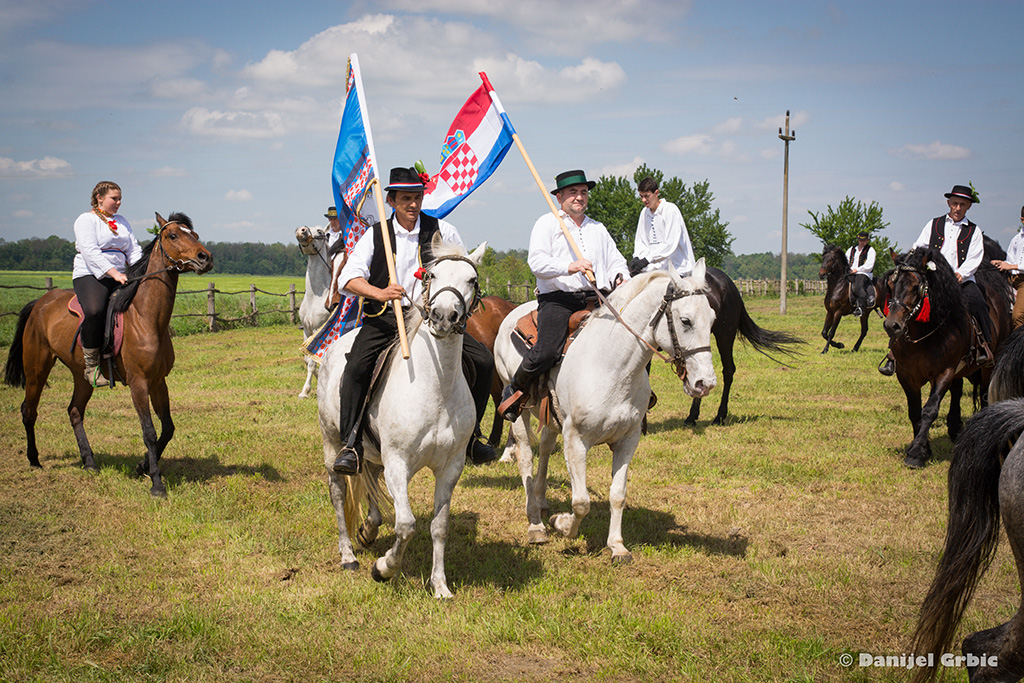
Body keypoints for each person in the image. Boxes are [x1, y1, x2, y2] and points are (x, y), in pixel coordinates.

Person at [331, 167, 498, 474]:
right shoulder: (376, 235)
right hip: (386, 321)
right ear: (391, 201)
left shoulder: (443, 230)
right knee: (356, 367)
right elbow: (347, 279)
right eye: (405, 198)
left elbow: (461, 269)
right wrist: (380, 292)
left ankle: (472, 438)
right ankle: (351, 443)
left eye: (417, 197)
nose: (412, 204)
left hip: (431, 320)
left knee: (484, 361)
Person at [499, 169, 630, 420]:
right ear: (559, 197)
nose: (579, 197)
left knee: (630, 339)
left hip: (597, 297)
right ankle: (515, 390)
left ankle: (634, 396)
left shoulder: (598, 228)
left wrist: (621, 277)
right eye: (573, 193)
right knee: (547, 350)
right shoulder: (546, 224)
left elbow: (616, 261)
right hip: (559, 300)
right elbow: (536, 262)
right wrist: (569, 267)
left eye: (583, 192)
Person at [879, 184, 993, 376]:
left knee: (978, 303)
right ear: (949, 203)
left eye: (962, 205)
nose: (958, 208)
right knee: (906, 306)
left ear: (968, 207)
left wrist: (961, 274)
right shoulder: (933, 224)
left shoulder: (974, 231)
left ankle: (983, 346)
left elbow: (975, 257)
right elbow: (918, 248)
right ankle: (893, 353)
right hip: (932, 282)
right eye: (955, 203)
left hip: (961, 281)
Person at [72, 180, 144, 387]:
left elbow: (133, 248)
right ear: (99, 198)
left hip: (121, 274)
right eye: (115, 198)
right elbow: (90, 251)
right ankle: (91, 366)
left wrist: (138, 270)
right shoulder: (85, 220)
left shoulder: (122, 221)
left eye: (120, 198)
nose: (119, 202)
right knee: (95, 310)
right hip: (91, 274)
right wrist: (112, 273)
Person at [628, 176, 695, 279]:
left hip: (677, 269)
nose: (644, 200)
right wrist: (637, 257)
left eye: (647, 196)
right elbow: (641, 241)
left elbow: (670, 245)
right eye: (641, 196)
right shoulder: (644, 213)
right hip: (654, 269)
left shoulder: (670, 210)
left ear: (656, 193)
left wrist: (647, 259)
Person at [991, 205, 1024, 328]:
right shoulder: (1016, 239)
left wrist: (1012, 266)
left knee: (1018, 315)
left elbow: (1012, 265)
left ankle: (1018, 345)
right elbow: (1010, 259)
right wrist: (1000, 263)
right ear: (1022, 219)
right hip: (1012, 279)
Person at [846, 231, 876, 317]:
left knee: (858, 284)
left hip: (864, 273)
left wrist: (857, 270)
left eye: (864, 240)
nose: (862, 242)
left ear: (867, 240)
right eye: (860, 240)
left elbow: (869, 265)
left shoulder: (871, 250)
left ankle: (861, 308)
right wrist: (848, 269)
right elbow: (846, 260)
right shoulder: (851, 249)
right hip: (851, 272)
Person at [324, 206, 347, 310]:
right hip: (325, 273)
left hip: (339, 273)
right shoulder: (325, 237)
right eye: (331, 219)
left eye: (335, 219)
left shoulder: (346, 237)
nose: (333, 222)